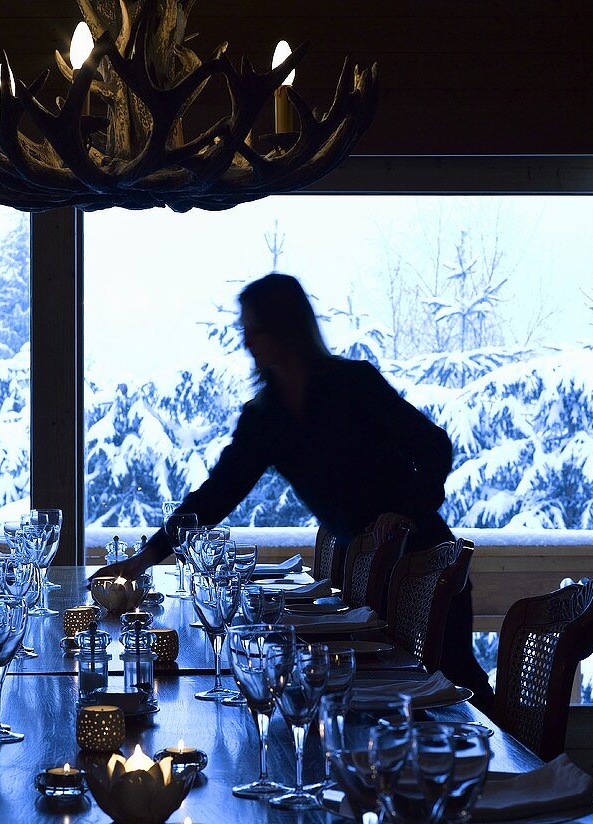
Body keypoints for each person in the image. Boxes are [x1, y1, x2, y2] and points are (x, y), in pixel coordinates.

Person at [92, 272, 495, 714]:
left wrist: (406, 512)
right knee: (405, 701)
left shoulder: (355, 385)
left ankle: (524, 774)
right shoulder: (267, 419)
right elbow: (215, 497)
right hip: (370, 584)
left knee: (460, 686)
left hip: (429, 565)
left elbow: (435, 447)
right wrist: (144, 559)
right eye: (244, 331)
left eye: (255, 329)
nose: (247, 342)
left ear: (287, 327)